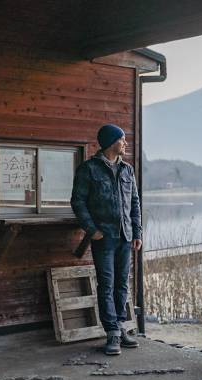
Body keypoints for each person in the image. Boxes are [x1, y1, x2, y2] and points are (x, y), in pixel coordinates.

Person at [71, 124, 143, 356]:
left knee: (122, 283)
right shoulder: (89, 169)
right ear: (112, 142)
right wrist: (92, 230)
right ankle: (111, 332)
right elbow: (78, 202)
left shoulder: (127, 170)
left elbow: (134, 203)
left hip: (126, 236)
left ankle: (120, 327)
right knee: (107, 284)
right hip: (104, 238)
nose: (125, 143)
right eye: (122, 139)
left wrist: (137, 233)